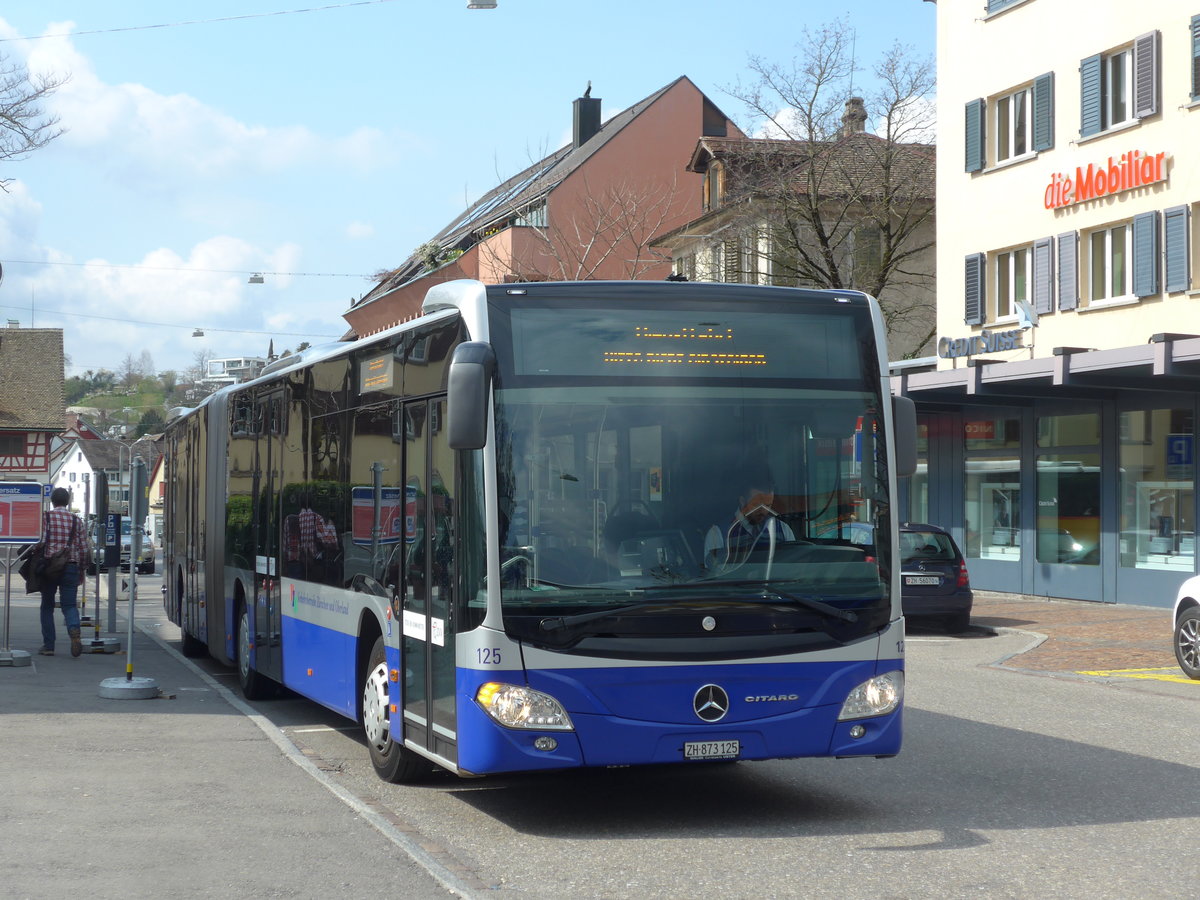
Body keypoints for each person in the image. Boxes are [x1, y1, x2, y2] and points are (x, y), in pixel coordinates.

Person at [703, 468, 794, 568]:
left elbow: (792, 568)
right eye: (757, 505)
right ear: (742, 501)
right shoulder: (717, 534)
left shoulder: (784, 530)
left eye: (768, 505)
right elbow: (714, 578)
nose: (763, 511)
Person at [38, 487, 89, 657]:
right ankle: (74, 631)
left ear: (52, 501)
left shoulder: (46, 518)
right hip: (71, 566)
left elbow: (40, 541)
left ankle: (49, 646)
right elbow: (83, 549)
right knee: (69, 605)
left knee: (47, 606)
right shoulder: (77, 521)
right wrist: (81, 570)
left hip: (50, 567)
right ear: (68, 502)